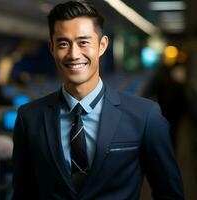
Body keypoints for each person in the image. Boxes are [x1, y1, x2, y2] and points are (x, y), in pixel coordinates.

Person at [12, 1, 184, 199]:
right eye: (63, 43)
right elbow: (23, 194)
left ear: (102, 45)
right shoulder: (29, 117)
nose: (74, 54)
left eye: (83, 42)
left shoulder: (145, 116)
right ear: (52, 48)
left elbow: (170, 194)